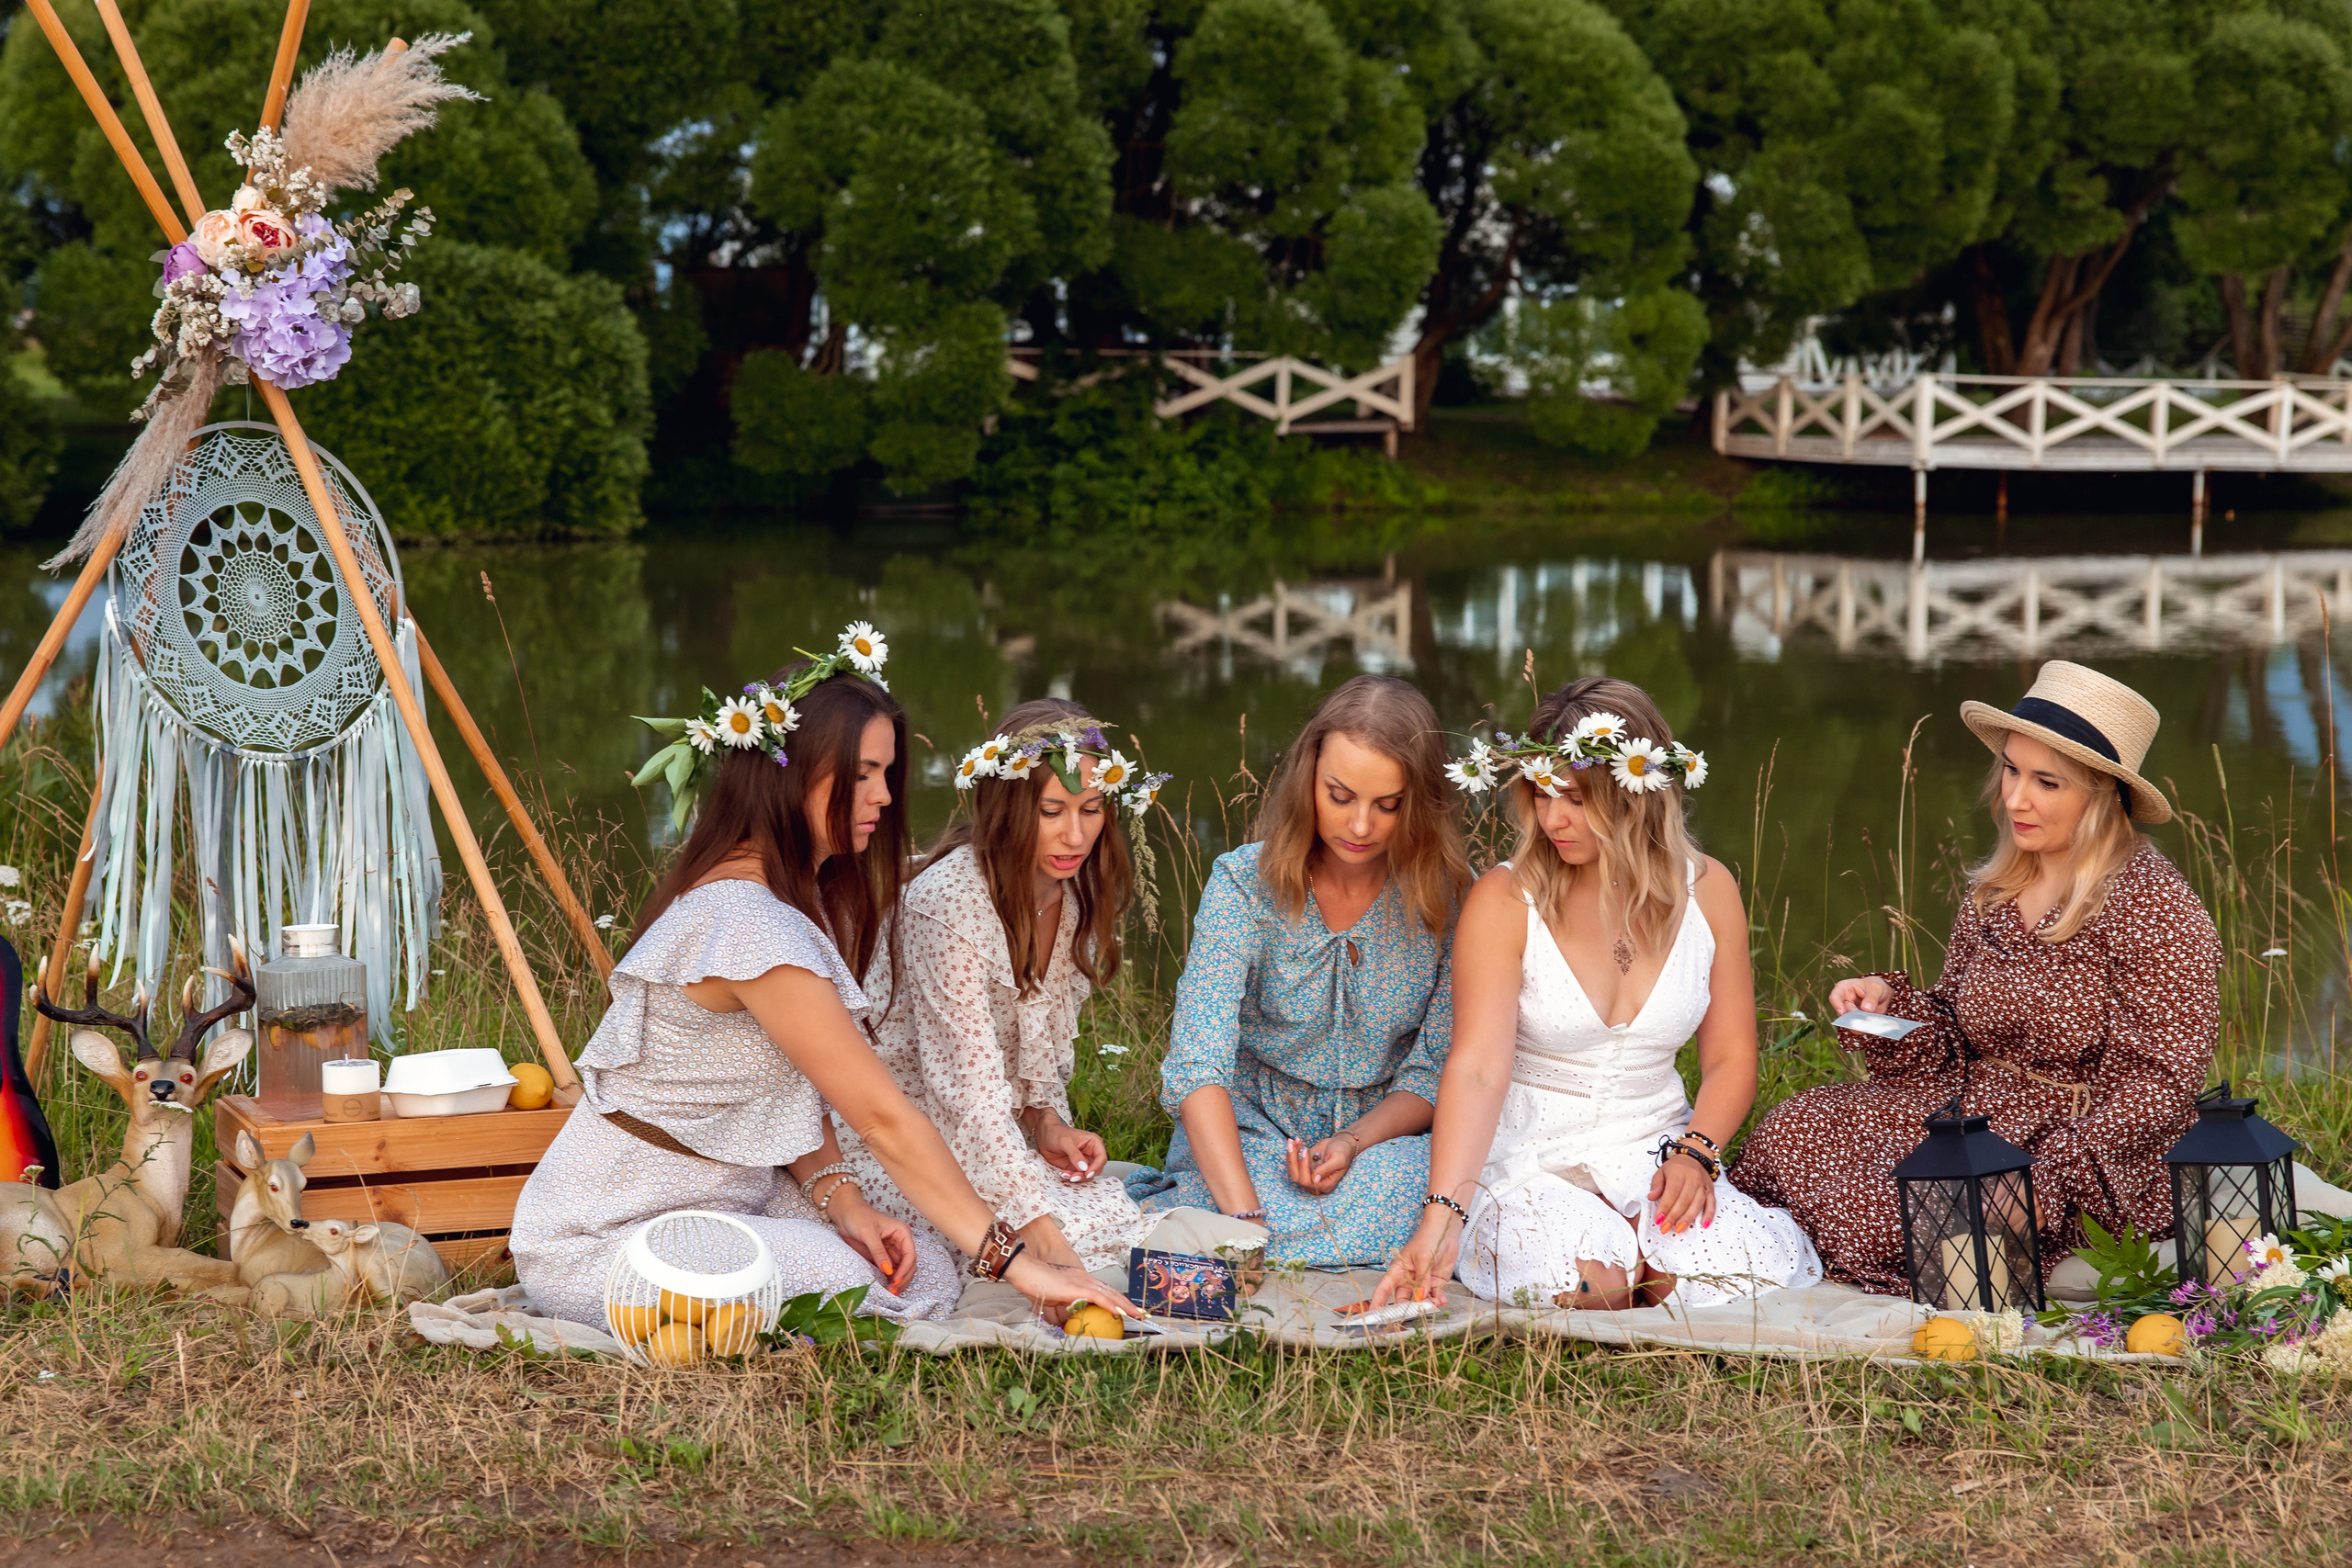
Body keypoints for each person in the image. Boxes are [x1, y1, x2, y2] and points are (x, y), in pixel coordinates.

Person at [510, 626, 1138, 1330]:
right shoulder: (749, 923)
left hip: (733, 1197)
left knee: (914, 1259)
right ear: (794, 771)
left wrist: (848, 1203)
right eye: (861, 773)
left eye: (886, 774)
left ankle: (764, 1285)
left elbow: (789, 1087)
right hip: (609, 1229)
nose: (882, 796)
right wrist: (1019, 1262)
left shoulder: (796, 901)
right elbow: (881, 1117)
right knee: (856, 1276)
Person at [1730, 660, 2222, 1296]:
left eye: (2046, 781)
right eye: (2012, 770)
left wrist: (2050, 1179)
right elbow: (1954, 1037)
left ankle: (1810, 1252)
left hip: (2079, 1143)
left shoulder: (2154, 905)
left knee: (1889, 1207)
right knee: (1796, 1126)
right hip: (1968, 1109)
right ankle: (1754, 1250)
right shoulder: (1999, 887)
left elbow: (2161, 1081)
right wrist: (1890, 1009)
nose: (2015, 797)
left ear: (2103, 792)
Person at [1373, 677, 1821, 1311]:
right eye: (1541, 793)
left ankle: (1649, 1250)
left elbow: (1730, 1058)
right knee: (1595, 1285)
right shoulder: (1504, 899)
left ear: (1636, 792)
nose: (1553, 817)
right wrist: (1443, 1214)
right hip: (1530, 1157)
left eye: (1578, 798)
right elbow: (1476, 1069)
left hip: (1655, 1148)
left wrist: (1696, 1153)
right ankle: (1596, 1251)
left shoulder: (1710, 890)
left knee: (1720, 1279)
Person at [841, 699, 1193, 1274]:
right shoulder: (949, 905)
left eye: (1092, 809)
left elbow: (1027, 1069)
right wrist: (1044, 1238)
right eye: (1051, 811)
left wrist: (1047, 1123)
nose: (1074, 835)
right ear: (1007, 806)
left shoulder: (1071, 900)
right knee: (1071, 1233)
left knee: (1101, 1212)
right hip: (905, 1138)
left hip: (988, 1134)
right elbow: (966, 1098)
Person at [1144, 675, 1472, 1267]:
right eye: (1340, 796)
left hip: (1383, 1142)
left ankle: (1213, 1237)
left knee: (1436, 1187)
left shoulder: (1450, 902)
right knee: (1221, 1192)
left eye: (1388, 805)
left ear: (1419, 802)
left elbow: (1432, 1074)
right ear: (1308, 780)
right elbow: (1197, 1065)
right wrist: (1242, 1220)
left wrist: (1353, 1141)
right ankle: (1235, 1231)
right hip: (1252, 1133)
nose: (1361, 826)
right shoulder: (1243, 884)